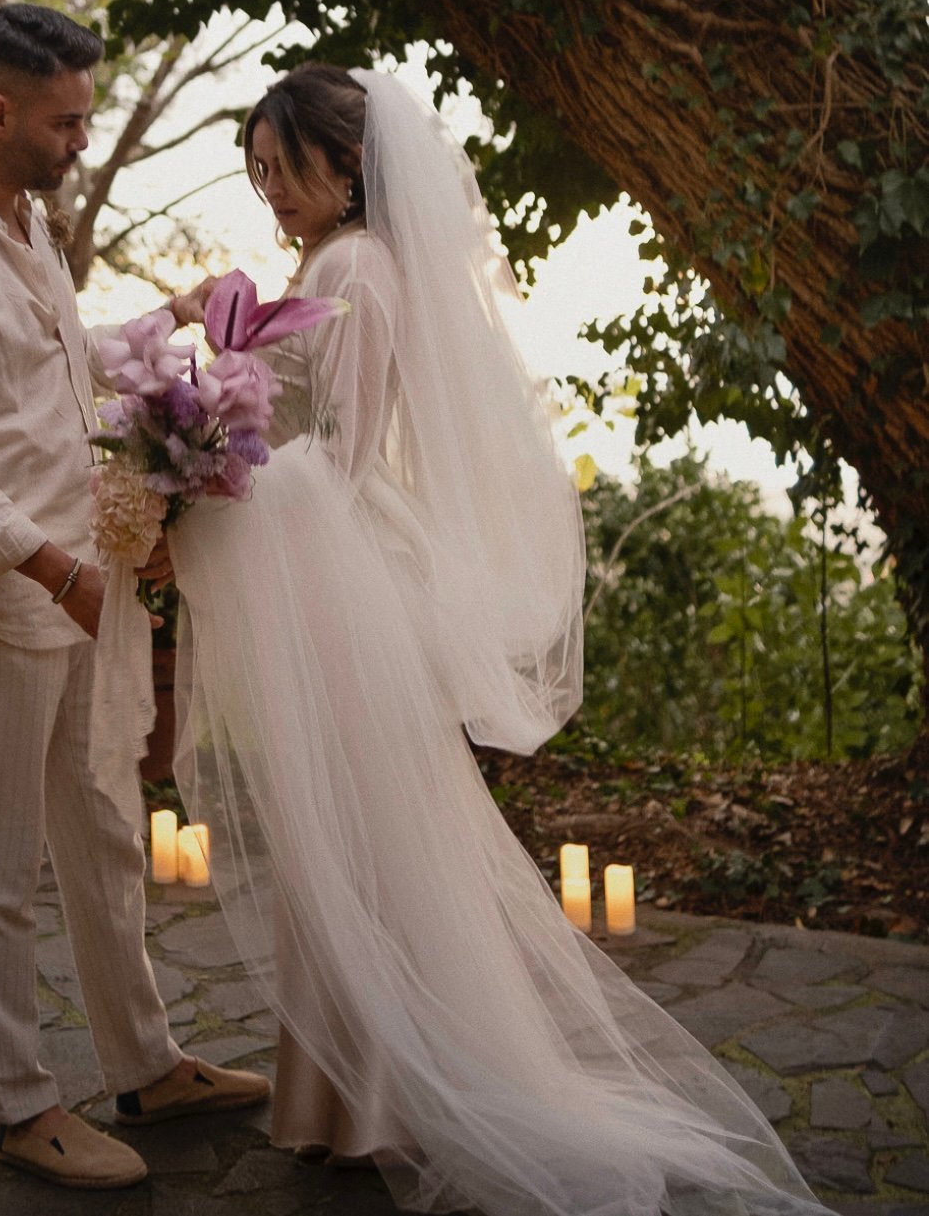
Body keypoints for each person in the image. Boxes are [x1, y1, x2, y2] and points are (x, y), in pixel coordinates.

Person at [162, 62, 829, 1216]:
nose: (270, 190)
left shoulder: (354, 268)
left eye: (283, 167)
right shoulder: (332, 264)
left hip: (342, 582)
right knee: (349, 843)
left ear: (345, 162)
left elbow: (344, 451)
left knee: (366, 844)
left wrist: (204, 473)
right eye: (257, 172)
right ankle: (350, 1103)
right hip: (332, 576)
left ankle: (391, 1101)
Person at [0, 3, 269, 1192]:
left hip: (79, 581)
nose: (83, 139)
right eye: (66, 121)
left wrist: (172, 320)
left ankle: (144, 1064)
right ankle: (22, 1106)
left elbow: (62, 360)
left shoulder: (25, 221)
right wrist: (60, 575)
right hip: (2, 596)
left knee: (102, 830)